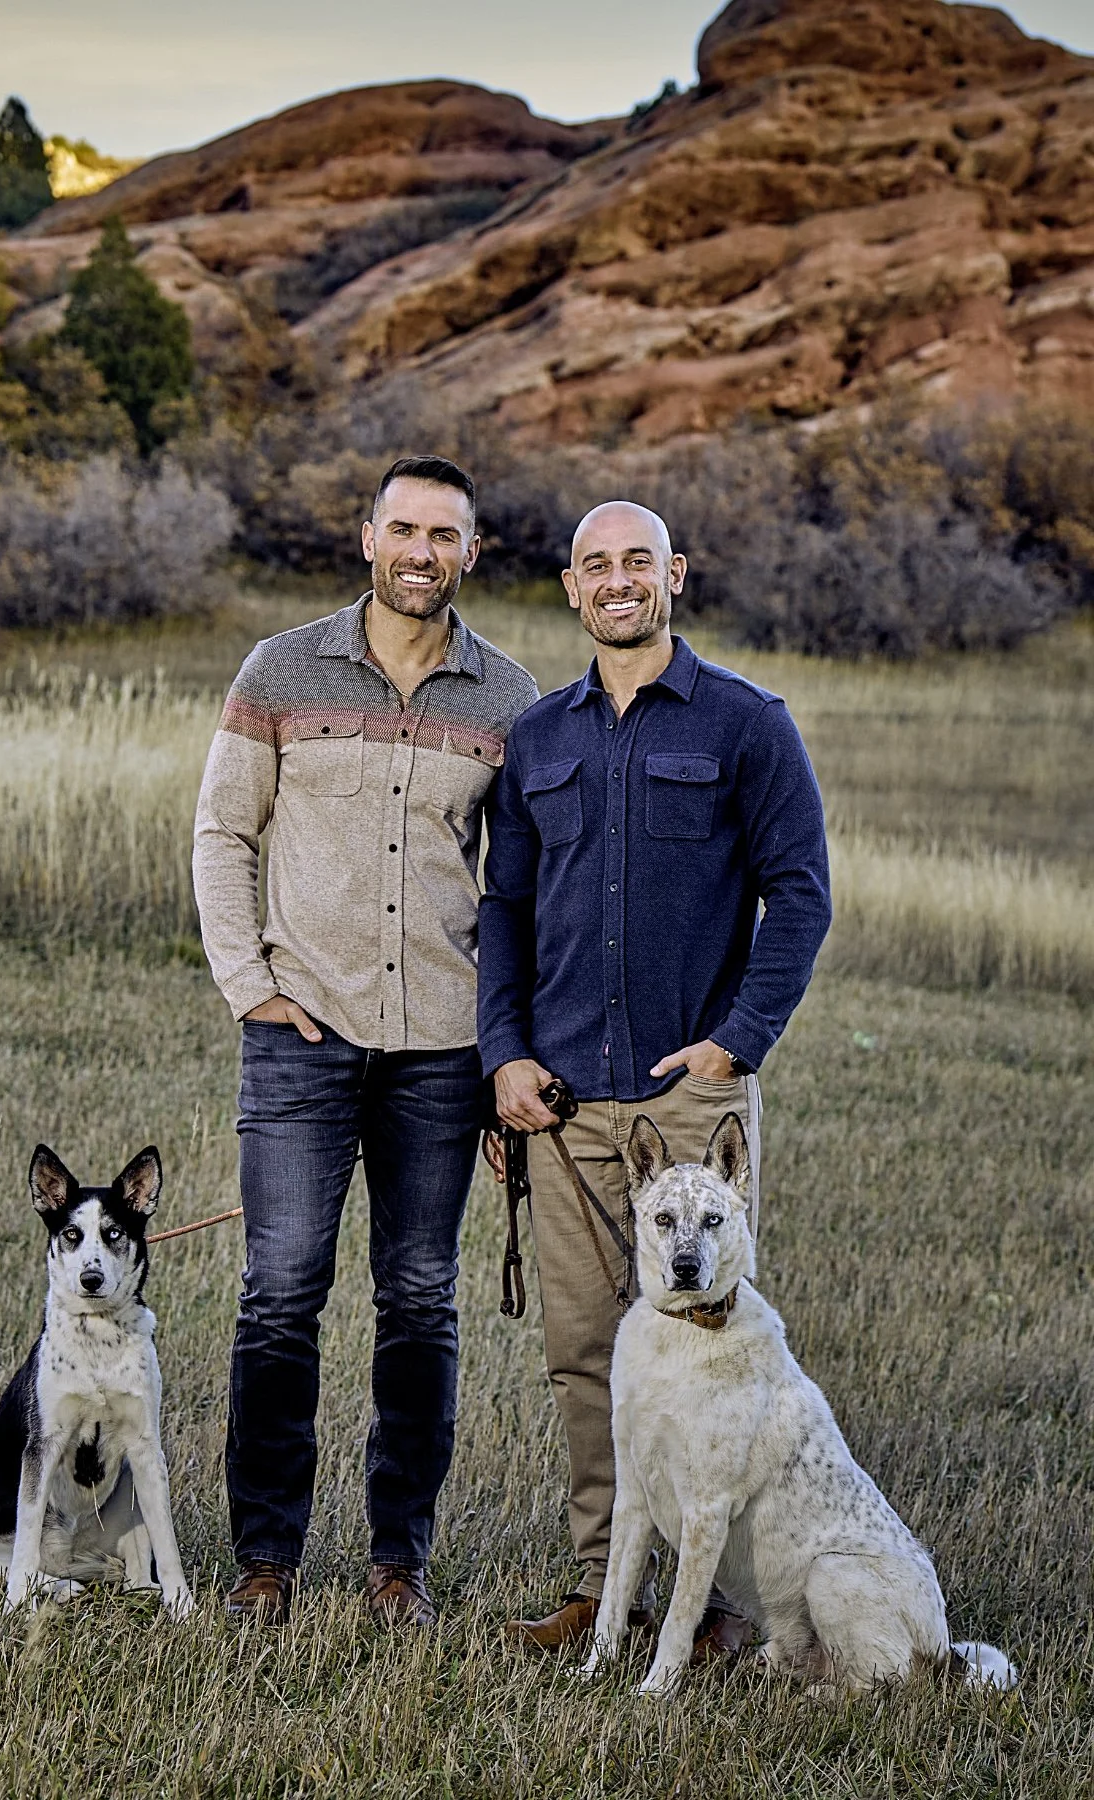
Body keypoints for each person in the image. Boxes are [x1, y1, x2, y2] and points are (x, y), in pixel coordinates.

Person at [478, 500, 832, 1651]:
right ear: (572, 591)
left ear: (674, 573)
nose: (618, 581)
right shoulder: (538, 738)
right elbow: (508, 911)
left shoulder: (748, 724)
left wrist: (738, 1041)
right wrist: (505, 1055)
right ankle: (605, 1587)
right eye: (596, 566)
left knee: (705, 1344)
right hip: (569, 1106)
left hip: (692, 1102)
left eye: (639, 560)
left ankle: (720, 1603)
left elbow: (802, 895)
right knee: (588, 1353)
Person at [193, 456, 538, 1628]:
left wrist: (503, 1053)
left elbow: (521, 893)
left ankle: (400, 1568)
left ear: (471, 554)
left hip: (441, 1052)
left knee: (422, 1299)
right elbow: (221, 835)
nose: (420, 552)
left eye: (444, 535)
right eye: (404, 529)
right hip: (301, 1032)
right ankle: (266, 1565)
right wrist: (249, 985)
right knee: (280, 1294)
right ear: (367, 537)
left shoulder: (509, 699)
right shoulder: (279, 670)